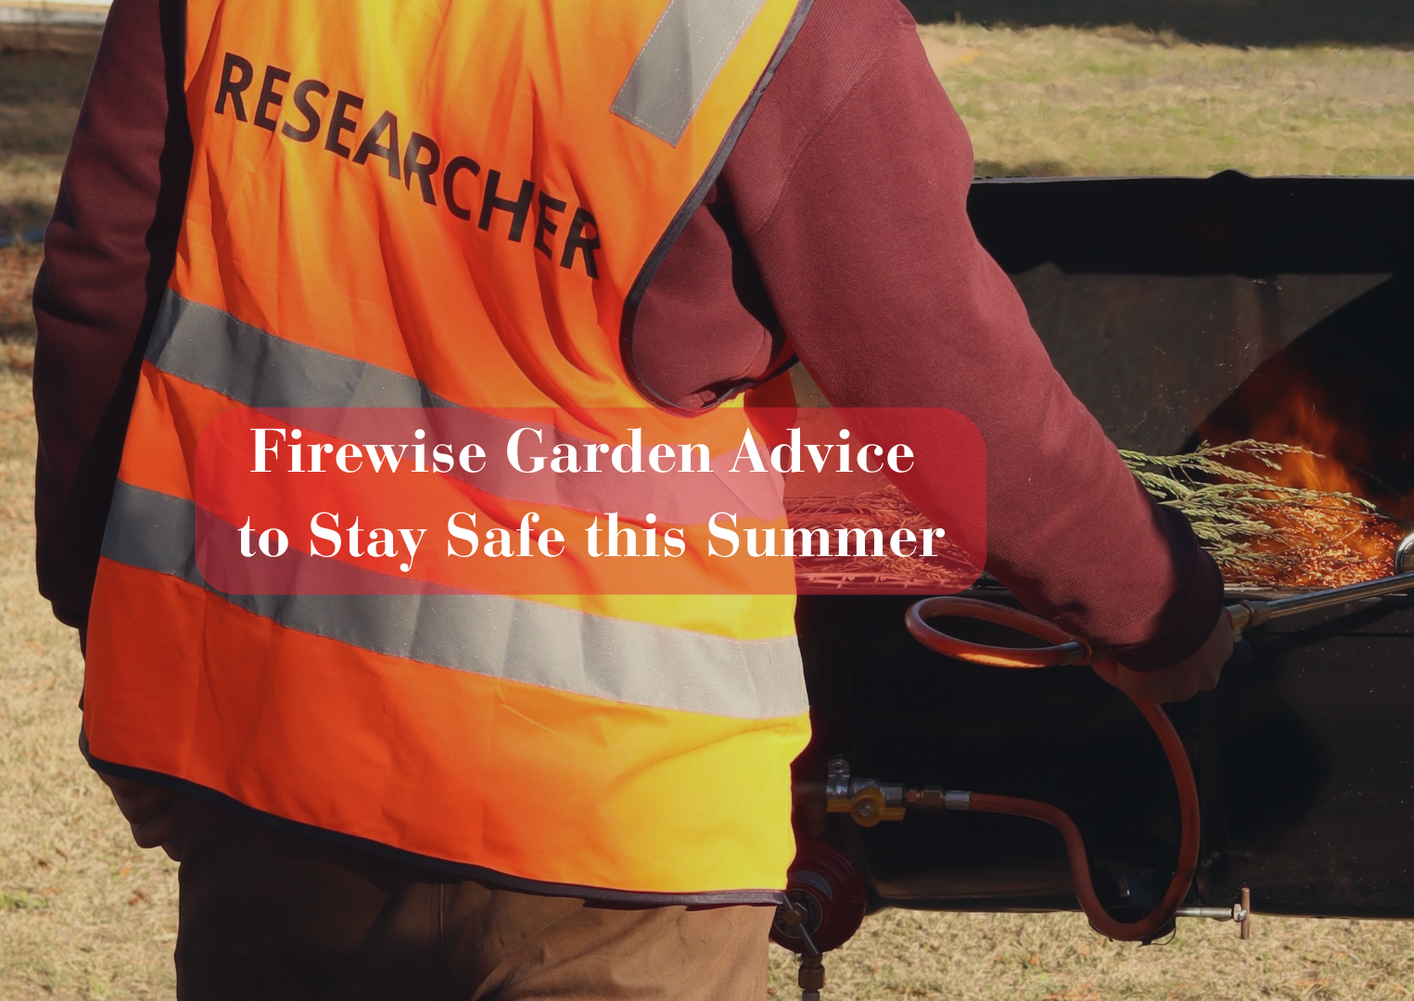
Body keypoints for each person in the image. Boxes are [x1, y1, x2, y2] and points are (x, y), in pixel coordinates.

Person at [32, 0, 1233, 996]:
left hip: (268, 767)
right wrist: (1154, 605)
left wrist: (112, 615)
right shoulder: (777, 22)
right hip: (605, 828)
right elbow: (949, 374)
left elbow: (101, 284)